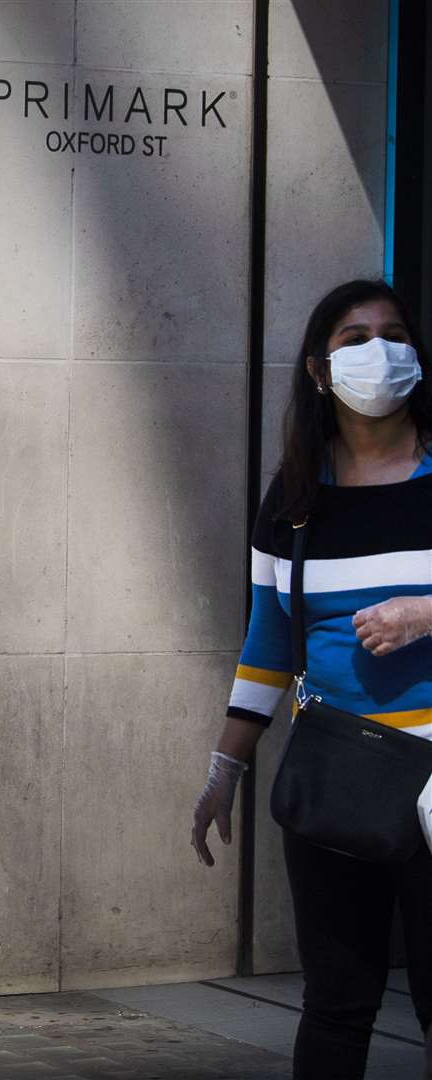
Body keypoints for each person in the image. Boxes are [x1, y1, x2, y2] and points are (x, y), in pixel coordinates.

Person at [192, 279, 431, 1080]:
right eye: (355, 338)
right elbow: (269, 641)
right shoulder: (295, 498)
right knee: (336, 1002)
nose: (380, 351)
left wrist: (425, 616)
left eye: (393, 334)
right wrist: (226, 766)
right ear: (319, 372)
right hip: (343, 782)